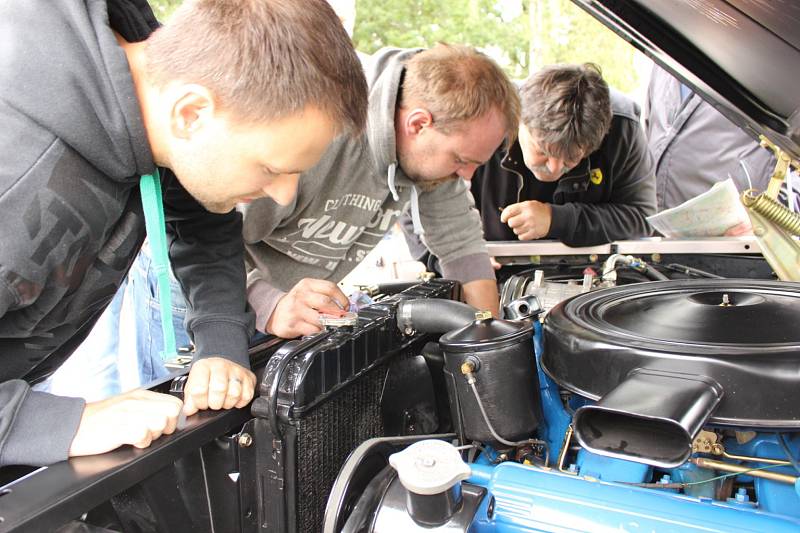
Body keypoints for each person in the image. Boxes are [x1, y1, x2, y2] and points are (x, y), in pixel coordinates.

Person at [0, 0, 367, 467]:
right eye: (271, 168)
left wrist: (220, 340)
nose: (282, 196)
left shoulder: (154, 95)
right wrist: (58, 424)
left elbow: (203, 221)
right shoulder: (17, 179)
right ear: (191, 113)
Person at [242, 44, 521, 338]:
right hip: (213, 307)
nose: (465, 175)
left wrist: (490, 337)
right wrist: (268, 303)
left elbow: (462, 247)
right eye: (461, 160)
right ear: (418, 124)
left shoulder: (432, 158)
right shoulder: (318, 125)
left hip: (296, 310)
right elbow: (210, 238)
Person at [407, 63, 655, 256]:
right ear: (519, 123)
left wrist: (557, 219)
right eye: (544, 151)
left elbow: (641, 218)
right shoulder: (483, 118)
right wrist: (450, 258)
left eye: (572, 157)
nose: (555, 168)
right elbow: (412, 194)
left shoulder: (622, 127)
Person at [645, 64, 777, 211]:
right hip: (653, 222)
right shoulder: (665, 56)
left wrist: (770, 214)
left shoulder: (770, 64)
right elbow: (650, 128)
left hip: (733, 226)